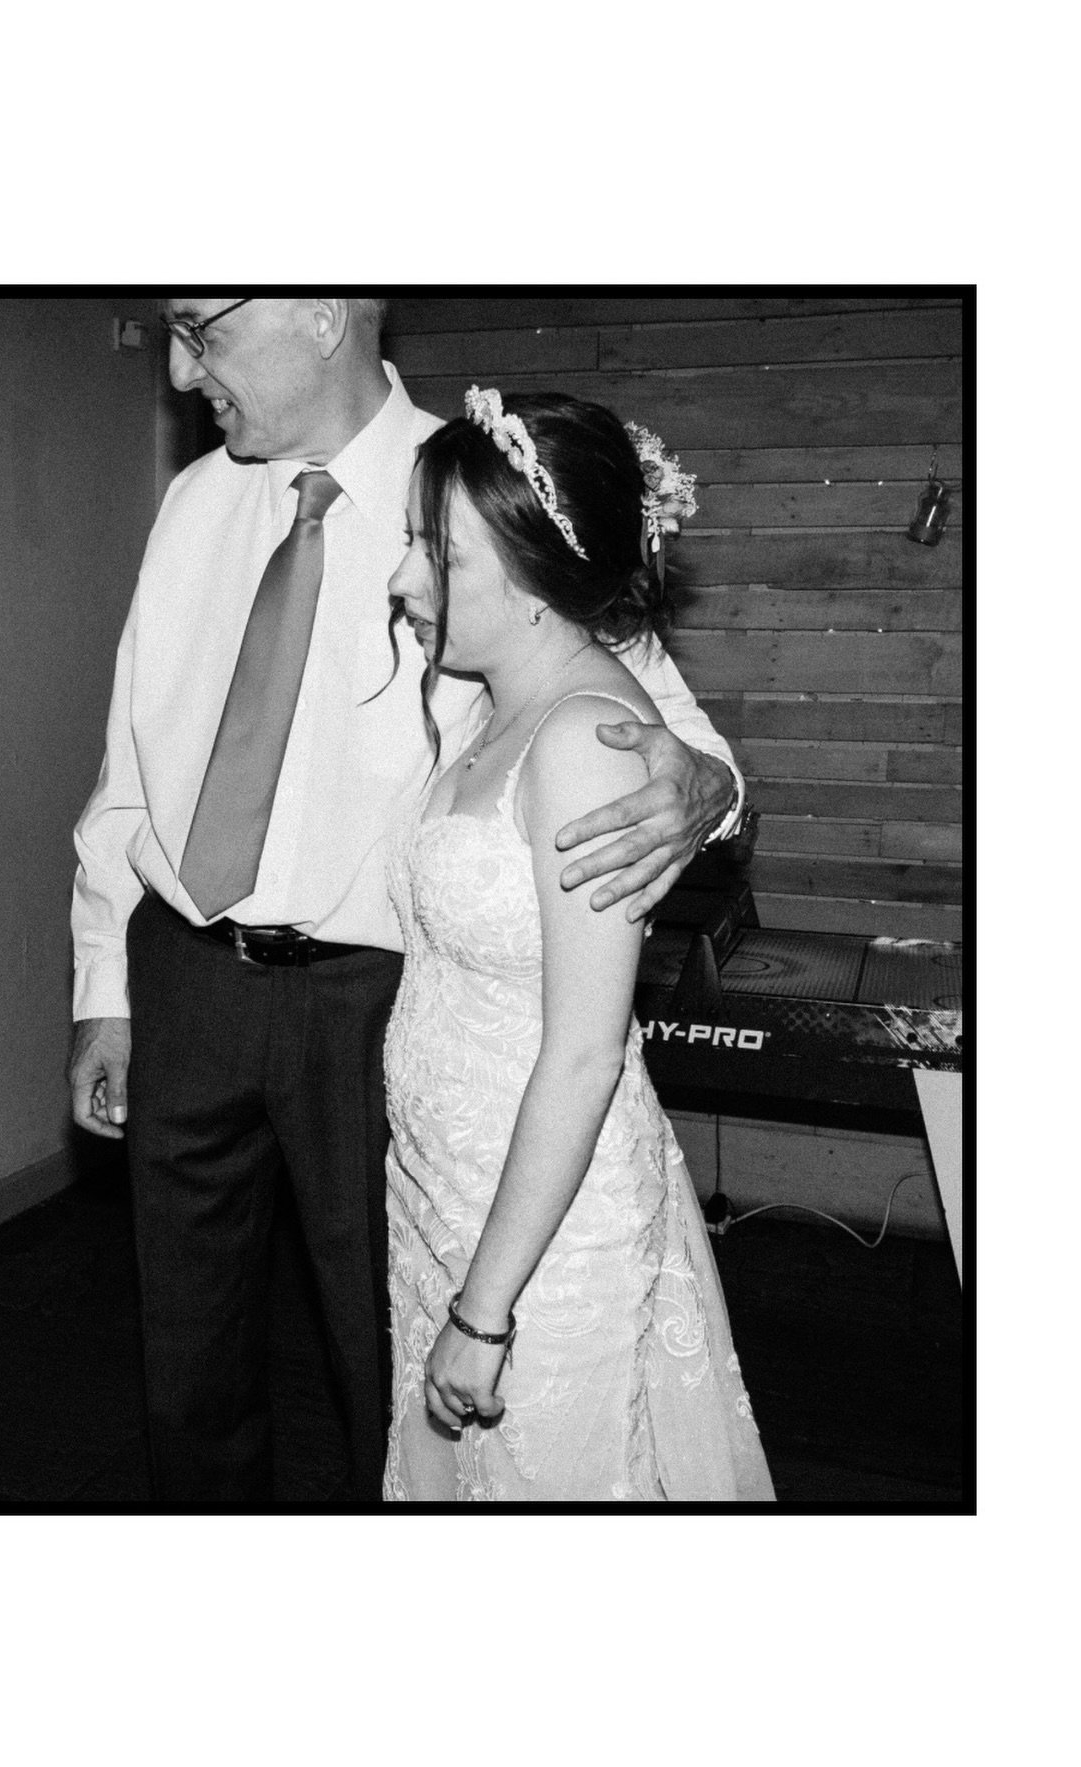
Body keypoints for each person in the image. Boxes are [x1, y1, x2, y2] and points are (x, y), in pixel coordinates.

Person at [69, 300, 745, 1507]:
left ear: (319, 312)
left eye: (199, 328)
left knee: (382, 1354)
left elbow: (670, 739)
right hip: (183, 974)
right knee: (188, 1359)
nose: (178, 370)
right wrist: (104, 988)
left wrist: (697, 786)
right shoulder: (192, 506)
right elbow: (130, 764)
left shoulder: (483, 495)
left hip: (372, 1007)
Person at [382, 388, 774, 1501]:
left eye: (436, 554)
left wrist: (483, 1310)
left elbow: (586, 1051)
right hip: (449, 1188)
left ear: (537, 572)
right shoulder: (487, 703)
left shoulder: (587, 741)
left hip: (540, 1238)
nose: (405, 580)